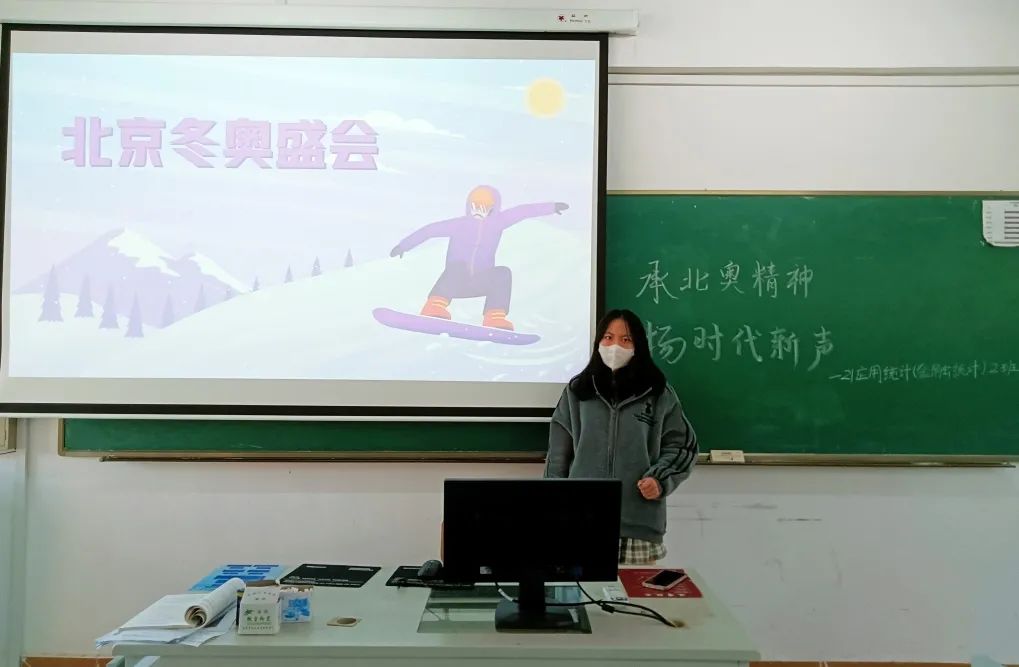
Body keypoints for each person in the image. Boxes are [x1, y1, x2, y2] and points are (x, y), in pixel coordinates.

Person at [544, 309, 698, 565]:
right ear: (598, 343)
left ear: (638, 346)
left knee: (634, 591)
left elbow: (682, 447)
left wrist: (659, 479)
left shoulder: (657, 393)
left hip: (638, 526)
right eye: (608, 337)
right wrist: (553, 509)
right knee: (579, 591)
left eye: (626, 339)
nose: (615, 346)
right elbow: (558, 457)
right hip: (580, 522)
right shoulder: (578, 392)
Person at [390, 185, 568, 331]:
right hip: (455, 283)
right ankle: (434, 305)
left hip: (480, 282)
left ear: (493, 208)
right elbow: (430, 230)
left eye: (483, 208)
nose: (478, 211)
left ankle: (494, 316)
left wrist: (551, 207)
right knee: (457, 267)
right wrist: (404, 246)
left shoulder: (498, 222)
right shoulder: (459, 224)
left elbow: (523, 211)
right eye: (474, 206)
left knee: (502, 273)